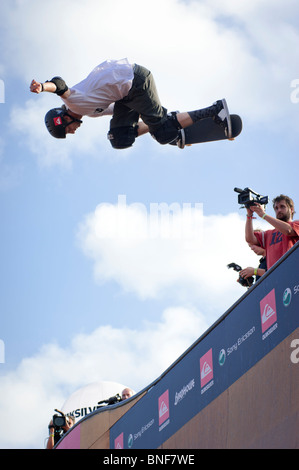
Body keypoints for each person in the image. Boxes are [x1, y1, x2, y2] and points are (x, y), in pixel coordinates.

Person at [29, 58, 232, 149]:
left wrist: (42, 87)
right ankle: (168, 125)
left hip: (135, 82)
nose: (72, 132)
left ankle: (215, 110)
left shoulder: (73, 103)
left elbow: (60, 84)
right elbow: (123, 114)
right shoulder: (90, 111)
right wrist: (152, 123)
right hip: (125, 96)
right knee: (119, 139)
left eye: (67, 130)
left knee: (162, 134)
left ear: (63, 119)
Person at [245, 194, 299, 269]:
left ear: (291, 209)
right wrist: (249, 215)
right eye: (276, 208)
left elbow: (288, 230)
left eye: (282, 206)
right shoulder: (269, 234)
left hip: (292, 272)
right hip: (274, 277)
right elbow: (250, 239)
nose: (279, 210)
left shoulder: (296, 224)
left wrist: (263, 215)